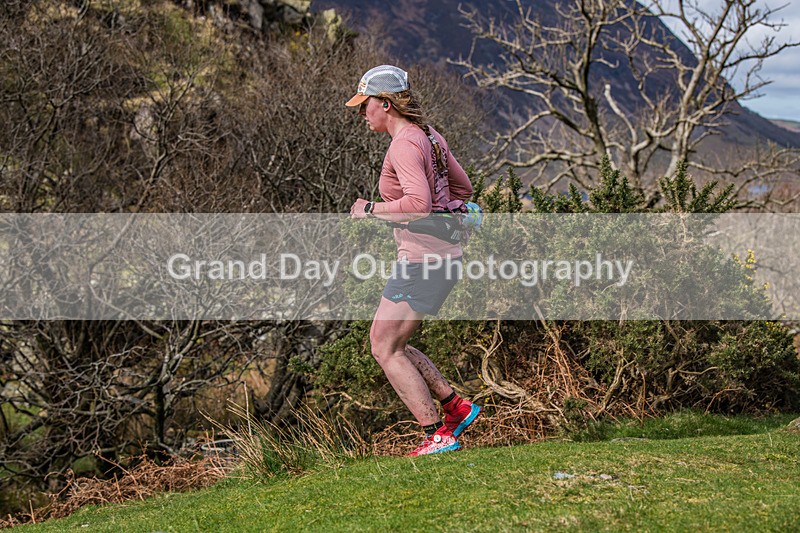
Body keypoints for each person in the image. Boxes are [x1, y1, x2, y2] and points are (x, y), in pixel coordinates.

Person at [347, 65, 481, 456]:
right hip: (443, 257)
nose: (362, 113)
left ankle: (437, 435)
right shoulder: (430, 136)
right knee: (395, 343)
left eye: (365, 104)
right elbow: (464, 188)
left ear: (385, 104)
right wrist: (446, 209)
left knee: (383, 346)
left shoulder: (404, 144)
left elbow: (419, 203)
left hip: (423, 261)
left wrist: (371, 209)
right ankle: (456, 407)